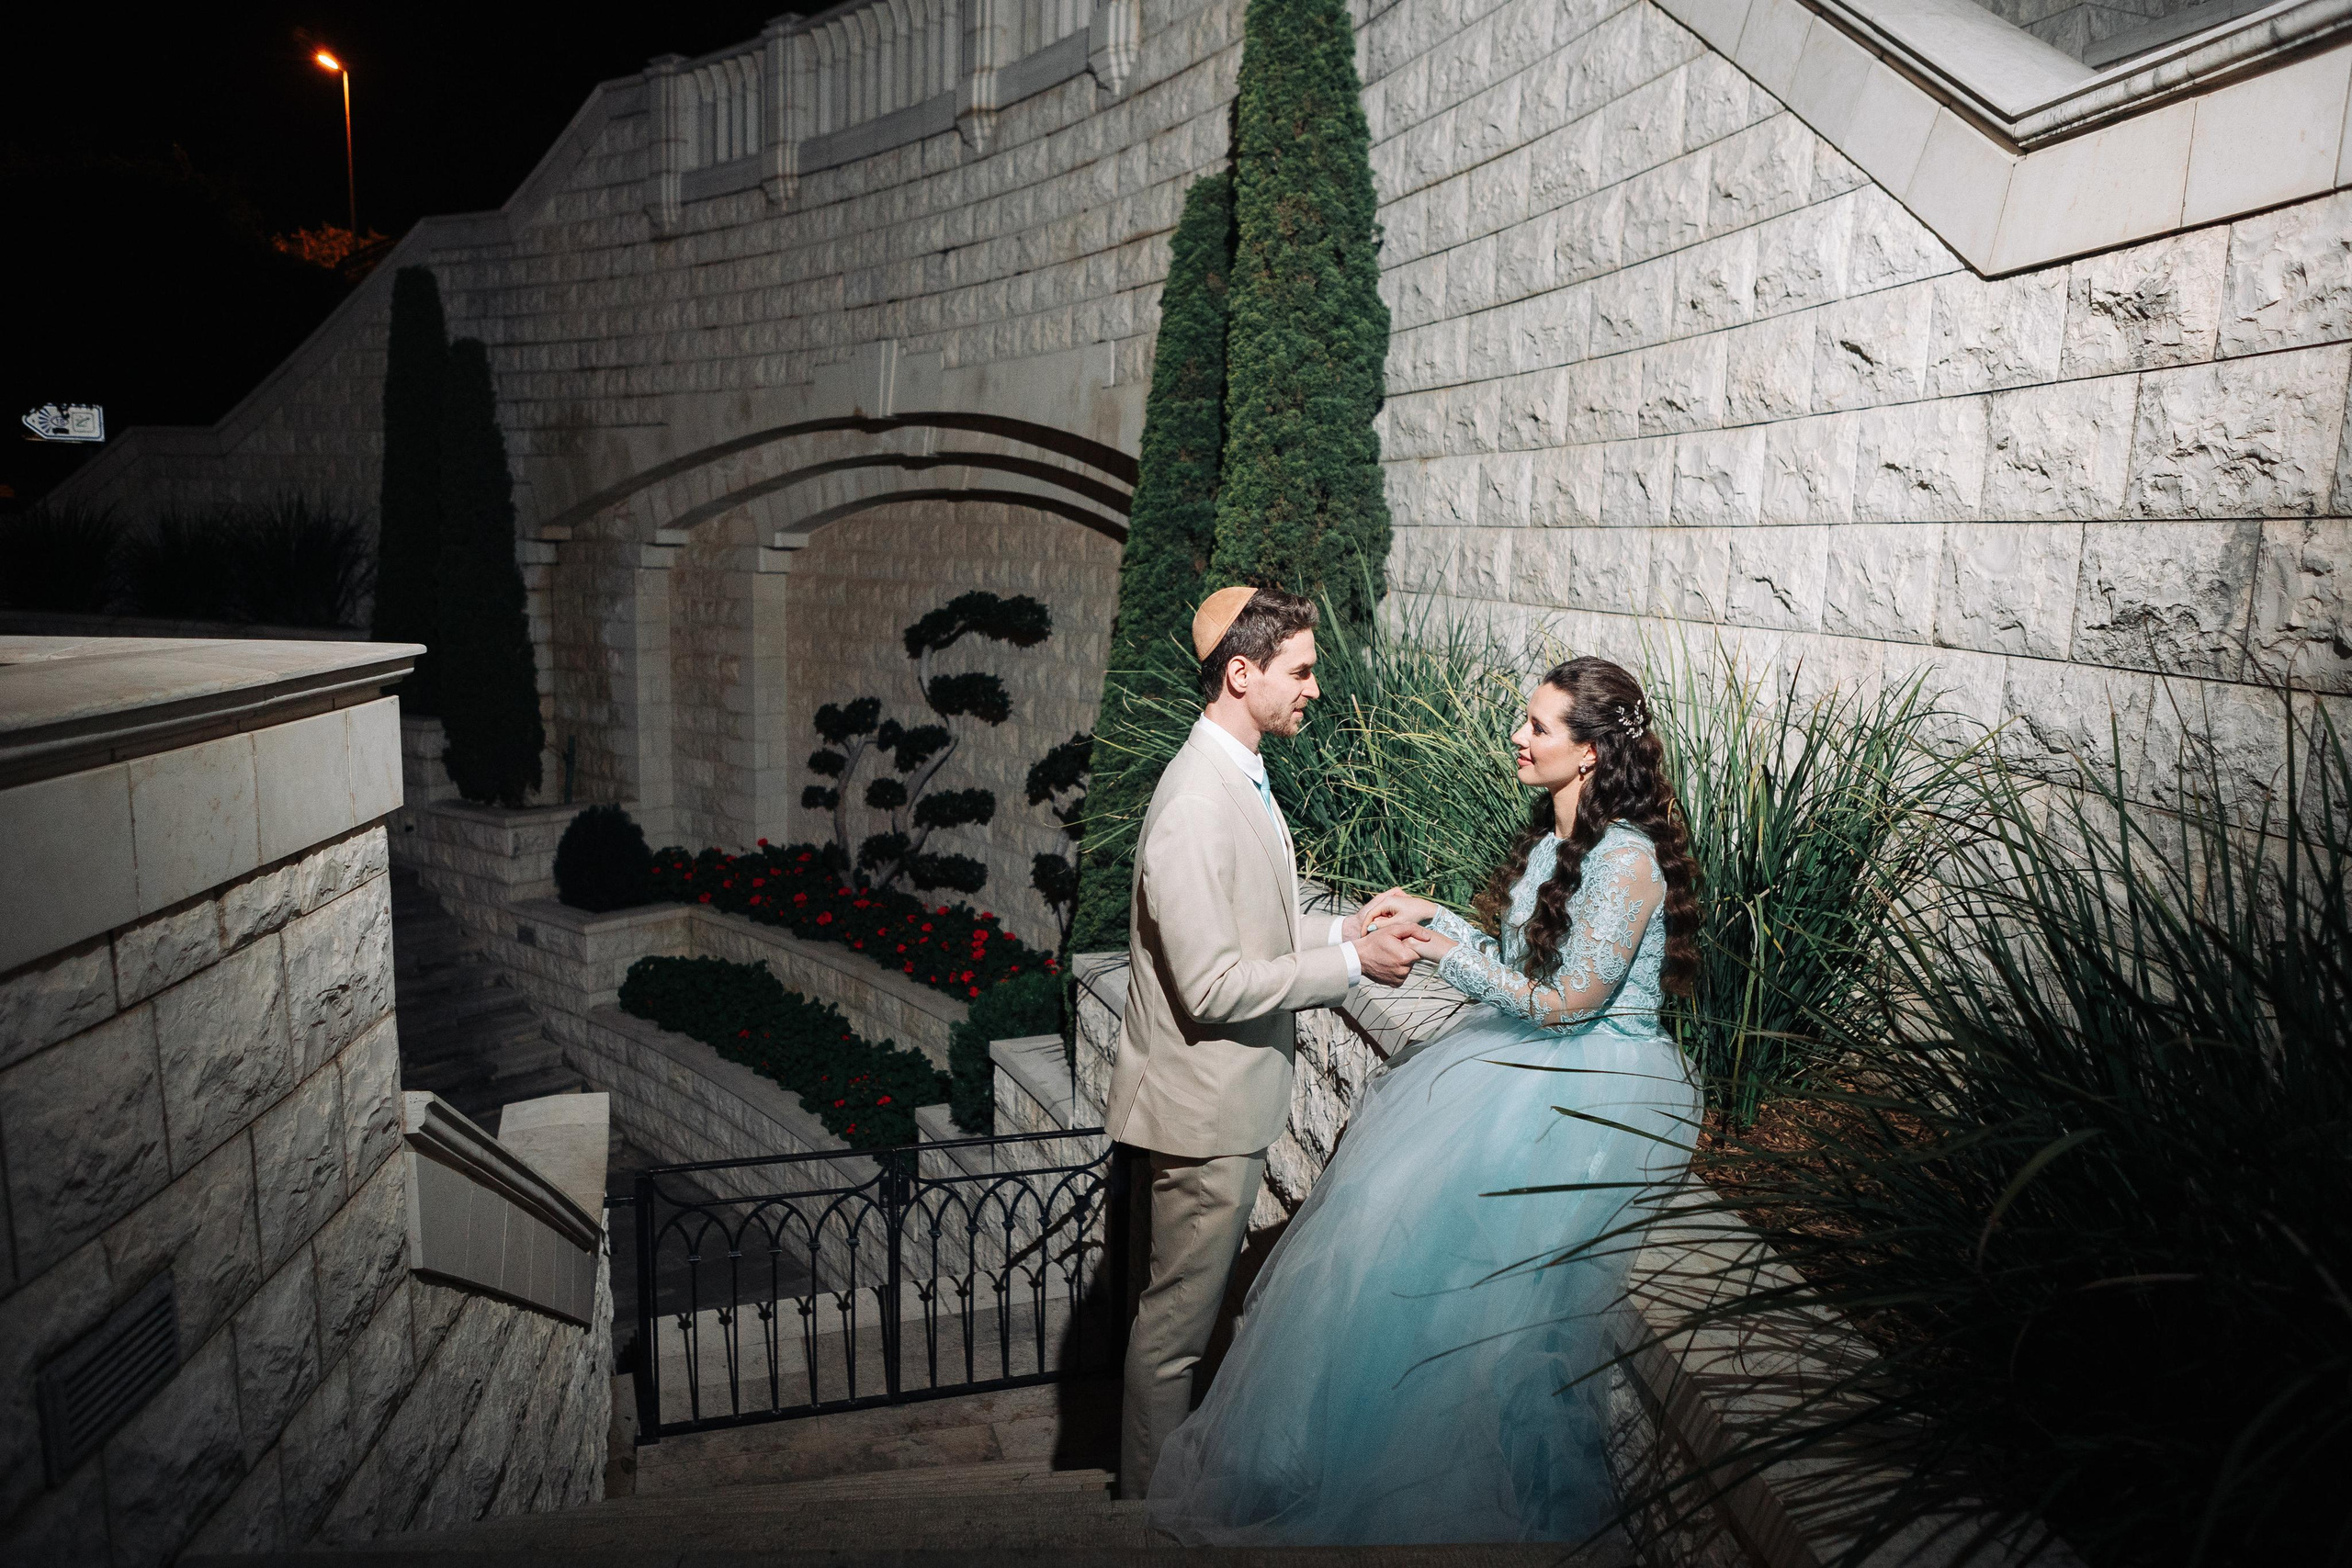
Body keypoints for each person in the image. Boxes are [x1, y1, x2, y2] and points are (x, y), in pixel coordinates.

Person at [1143, 655, 1704, 1545]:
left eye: (1538, 727)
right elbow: (1526, 966)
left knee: (1482, 1298)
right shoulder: (1557, 836)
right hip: (1521, 1059)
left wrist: (1449, 958)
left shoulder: (1627, 860)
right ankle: (1333, 1464)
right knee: (1371, 1223)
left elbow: (1569, 1005)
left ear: (1591, 752)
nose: (1517, 738)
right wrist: (1437, 919)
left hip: (1591, 1082)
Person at [1109, 584, 1424, 1502]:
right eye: (1302, 671)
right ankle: (1145, 1515)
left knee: (1182, 1326)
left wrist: (1344, 930)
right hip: (1203, 1114)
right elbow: (1212, 988)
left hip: (1223, 1104)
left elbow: (1265, 924)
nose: (1314, 690)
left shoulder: (1236, 769)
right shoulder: (1194, 806)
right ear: (1240, 674)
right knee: (1173, 1338)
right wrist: (1355, 969)